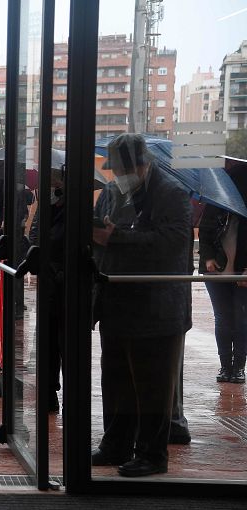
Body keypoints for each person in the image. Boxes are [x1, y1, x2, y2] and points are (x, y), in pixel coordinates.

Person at [90, 133, 192, 477]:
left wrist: (115, 237)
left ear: (141, 164)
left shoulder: (171, 193)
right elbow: (97, 229)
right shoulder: (112, 191)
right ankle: (116, 443)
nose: (117, 174)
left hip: (157, 308)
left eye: (122, 168)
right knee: (116, 377)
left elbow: (174, 243)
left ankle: (151, 454)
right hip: (116, 300)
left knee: (152, 384)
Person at [198, 157, 247, 384]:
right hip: (216, 271)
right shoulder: (217, 204)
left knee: (241, 319)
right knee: (223, 319)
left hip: (242, 273)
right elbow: (205, 232)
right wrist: (207, 258)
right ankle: (225, 366)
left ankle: (238, 368)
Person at [28, 167, 67, 412]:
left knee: (64, 342)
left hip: (65, 286)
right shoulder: (46, 209)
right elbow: (34, 236)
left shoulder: (72, 210)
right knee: (46, 342)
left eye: (51, 183)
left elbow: (59, 241)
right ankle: (48, 391)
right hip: (48, 286)